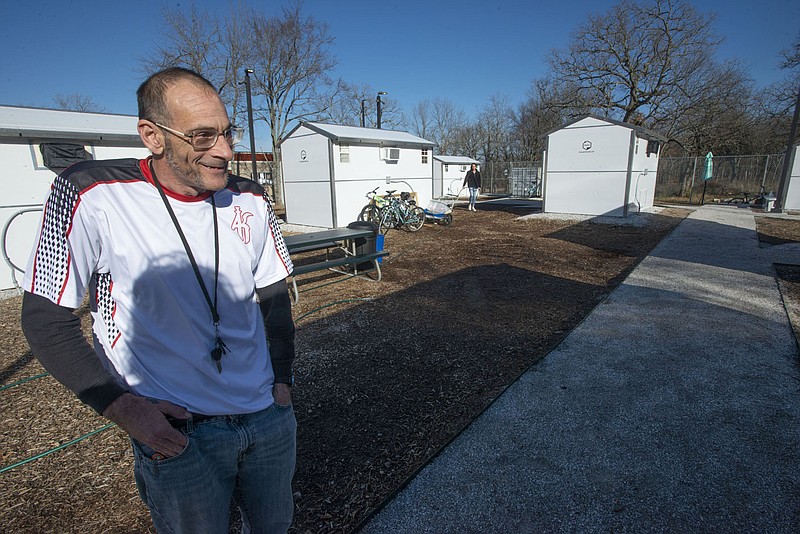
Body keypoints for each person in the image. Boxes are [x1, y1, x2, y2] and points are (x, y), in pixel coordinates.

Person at [21, 67, 297, 533]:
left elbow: (272, 297)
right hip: (178, 434)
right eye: (203, 136)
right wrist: (125, 410)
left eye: (227, 133)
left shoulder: (249, 197)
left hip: (267, 419)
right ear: (152, 136)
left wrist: (283, 380)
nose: (225, 151)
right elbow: (45, 319)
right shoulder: (91, 191)